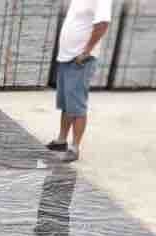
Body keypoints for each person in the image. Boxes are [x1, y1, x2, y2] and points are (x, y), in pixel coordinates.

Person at [47, 0, 112, 163]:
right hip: (67, 56)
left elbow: (103, 24)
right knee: (67, 104)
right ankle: (61, 141)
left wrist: (86, 52)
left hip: (80, 60)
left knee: (77, 105)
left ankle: (74, 148)